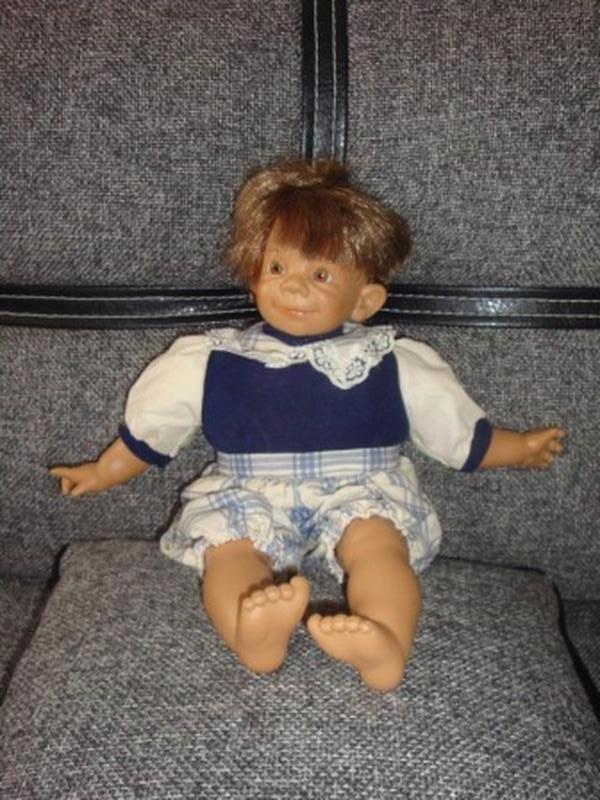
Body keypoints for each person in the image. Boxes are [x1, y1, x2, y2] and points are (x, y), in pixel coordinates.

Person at [51, 159, 565, 692]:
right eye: (277, 268)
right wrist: (104, 470)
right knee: (228, 551)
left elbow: (452, 428)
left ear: (365, 300)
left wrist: (516, 448)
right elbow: (155, 428)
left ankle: (386, 642)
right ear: (254, 275)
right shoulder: (211, 358)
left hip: (360, 486)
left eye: (320, 275)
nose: (293, 287)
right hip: (247, 488)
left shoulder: (391, 359)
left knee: (378, 547)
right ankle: (252, 635)